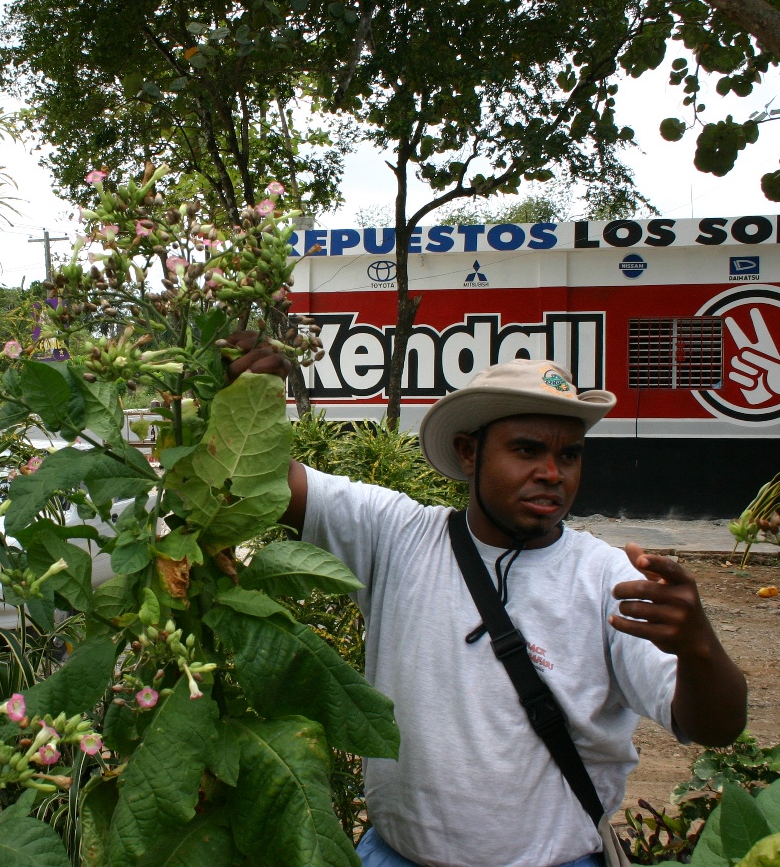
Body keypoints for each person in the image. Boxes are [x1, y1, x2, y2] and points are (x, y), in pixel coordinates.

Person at [231, 347, 747, 867]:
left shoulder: (609, 578)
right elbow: (269, 483)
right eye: (526, 450)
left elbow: (714, 727)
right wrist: (242, 400)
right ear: (468, 451)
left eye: (570, 454)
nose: (552, 472)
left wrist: (698, 646)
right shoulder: (395, 537)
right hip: (396, 856)